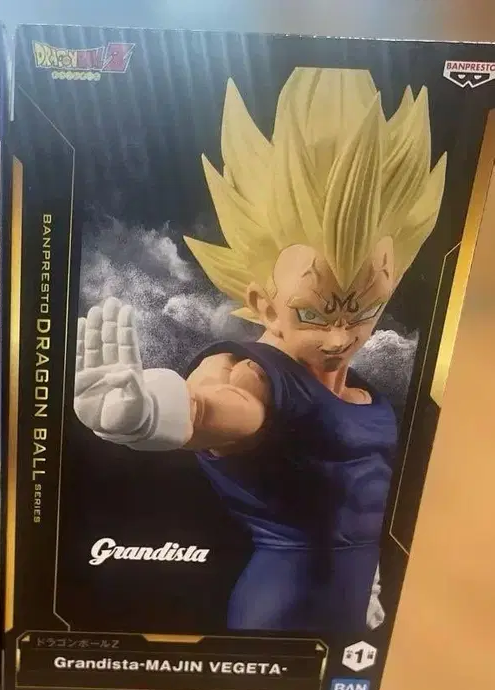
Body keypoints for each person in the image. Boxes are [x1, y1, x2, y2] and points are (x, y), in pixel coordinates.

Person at [74, 67, 446, 632]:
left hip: (354, 615)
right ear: (263, 304)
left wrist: (370, 579)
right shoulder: (255, 375)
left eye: (365, 310)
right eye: (313, 314)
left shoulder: (362, 391)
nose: (340, 336)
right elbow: (217, 407)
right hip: (282, 614)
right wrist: (149, 414)